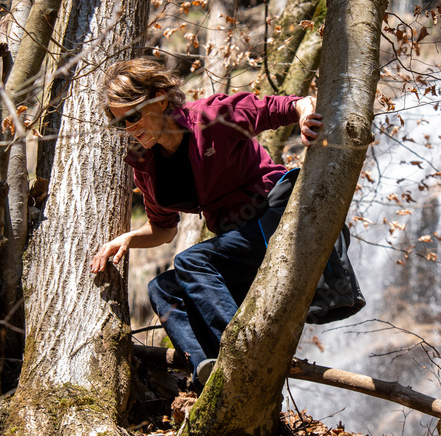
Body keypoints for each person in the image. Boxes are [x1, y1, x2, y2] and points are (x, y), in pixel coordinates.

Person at [90, 58, 322, 385]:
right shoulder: (145, 167)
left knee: (192, 260)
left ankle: (248, 354)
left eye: (134, 115)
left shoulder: (212, 118)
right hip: (237, 243)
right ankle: (211, 373)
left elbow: (287, 105)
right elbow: (162, 228)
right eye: (120, 124)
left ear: (160, 97)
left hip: (274, 219)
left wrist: (306, 115)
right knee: (163, 288)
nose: (130, 128)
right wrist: (128, 239)